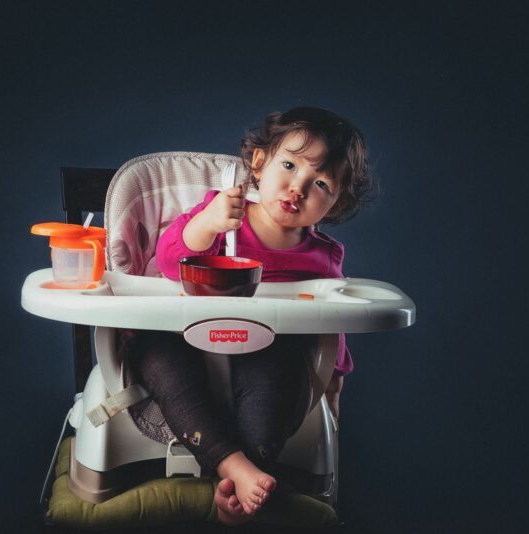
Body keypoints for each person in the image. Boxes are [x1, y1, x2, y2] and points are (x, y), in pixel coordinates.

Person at [136, 106, 375, 525]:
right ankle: (233, 465)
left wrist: (334, 382)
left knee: (280, 380)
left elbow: (332, 319)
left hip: (266, 353)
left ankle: (237, 489)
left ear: (335, 202)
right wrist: (206, 225)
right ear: (259, 164)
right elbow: (170, 263)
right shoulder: (223, 217)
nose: (298, 187)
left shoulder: (322, 258)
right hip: (186, 341)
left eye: (320, 183)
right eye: (289, 165)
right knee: (159, 360)